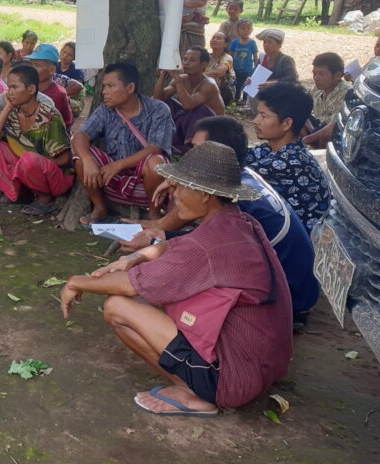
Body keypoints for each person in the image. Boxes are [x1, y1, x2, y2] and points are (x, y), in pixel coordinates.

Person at [60, 142, 292, 415]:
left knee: (117, 307)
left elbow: (130, 284)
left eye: (182, 187)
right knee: (152, 292)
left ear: (206, 195)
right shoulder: (238, 223)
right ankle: (199, 382)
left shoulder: (207, 246)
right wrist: (137, 257)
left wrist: (76, 282)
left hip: (232, 381)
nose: (176, 195)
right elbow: (175, 244)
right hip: (263, 368)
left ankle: (194, 395)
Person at [120, 116, 319, 330]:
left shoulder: (238, 202)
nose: (190, 156)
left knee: (171, 283)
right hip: (299, 288)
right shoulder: (242, 178)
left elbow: (209, 247)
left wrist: (155, 243)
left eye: (197, 150)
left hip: (288, 301)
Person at [73, 62, 173, 223]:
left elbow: (155, 148)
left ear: (130, 88)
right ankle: (100, 208)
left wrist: (118, 165)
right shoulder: (105, 110)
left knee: (156, 162)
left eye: (111, 86)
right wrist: (87, 159)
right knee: (80, 160)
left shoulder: (158, 110)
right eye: (104, 86)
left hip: (146, 181)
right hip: (112, 179)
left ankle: (154, 213)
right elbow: (80, 136)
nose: (104, 91)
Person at [0, 63, 74, 215]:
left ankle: (45, 200)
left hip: (57, 179)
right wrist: (6, 109)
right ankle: (20, 193)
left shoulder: (50, 115)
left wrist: (35, 164)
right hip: (27, 171)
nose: (9, 93)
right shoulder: (11, 111)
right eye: (8, 87)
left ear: (31, 90)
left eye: (14, 87)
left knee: (29, 160)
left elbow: (65, 159)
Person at [247, 83, 331, 232]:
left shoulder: (289, 162)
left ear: (286, 124)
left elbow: (231, 171)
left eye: (264, 115)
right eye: (258, 114)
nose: (256, 120)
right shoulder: (271, 150)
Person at [152, 47, 226, 155]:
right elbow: (157, 100)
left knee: (201, 110)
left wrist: (177, 80)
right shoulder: (182, 79)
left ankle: (190, 149)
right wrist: (162, 76)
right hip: (191, 124)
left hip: (213, 129)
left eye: (192, 60)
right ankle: (167, 142)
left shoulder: (209, 84)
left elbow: (188, 105)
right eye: (184, 59)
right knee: (166, 104)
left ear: (204, 65)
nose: (186, 63)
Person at [303, 52, 352, 149]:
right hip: (317, 127)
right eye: (314, 73)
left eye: (321, 74)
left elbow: (332, 127)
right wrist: (313, 130)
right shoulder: (316, 89)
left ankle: (321, 155)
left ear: (337, 75)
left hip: (335, 135)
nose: (316, 78)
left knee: (326, 134)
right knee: (294, 116)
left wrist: (306, 139)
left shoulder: (347, 92)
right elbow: (302, 108)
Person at [25, 44, 74, 130]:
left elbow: (61, 126)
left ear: (52, 70)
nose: (31, 69)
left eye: (37, 65)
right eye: (31, 64)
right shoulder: (28, 88)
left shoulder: (58, 94)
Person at [228, 19, 258, 103]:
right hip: (236, 69)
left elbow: (255, 56)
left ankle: (245, 99)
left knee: (247, 84)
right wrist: (230, 67)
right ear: (238, 30)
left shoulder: (252, 43)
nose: (246, 31)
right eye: (243, 28)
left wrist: (256, 68)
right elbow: (230, 55)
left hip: (248, 69)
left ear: (252, 30)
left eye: (248, 28)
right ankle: (236, 98)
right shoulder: (235, 42)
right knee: (237, 84)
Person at [206, 31, 235, 107]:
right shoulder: (206, 56)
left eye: (218, 38)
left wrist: (198, 77)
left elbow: (219, 72)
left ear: (226, 44)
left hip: (223, 92)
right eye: (213, 38)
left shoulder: (227, 57)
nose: (214, 40)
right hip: (206, 87)